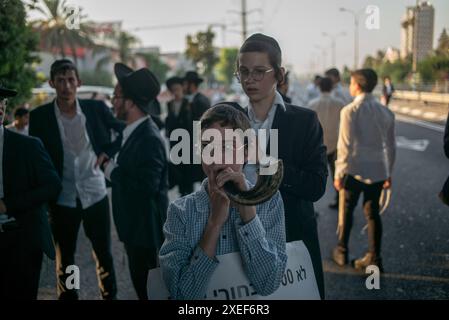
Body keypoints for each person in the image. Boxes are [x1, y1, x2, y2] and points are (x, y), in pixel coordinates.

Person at [159, 104, 287, 300]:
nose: (216, 159)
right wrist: (214, 224)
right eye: (206, 147)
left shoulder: (269, 201)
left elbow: (269, 283)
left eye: (226, 147)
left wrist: (248, 213)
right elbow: (183, 296)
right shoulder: (180, 212)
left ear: (246, 152)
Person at [237, 33, 328, 299]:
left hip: (292, 238)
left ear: (279, 74)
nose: (250, 79)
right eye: (243, 71)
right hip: (239, 243)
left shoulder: (304, 121)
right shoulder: (229, 120)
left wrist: (265, 162)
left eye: (259, 71)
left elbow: (316, 186)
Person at [29, 59, 124, 300]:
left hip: (95, 193)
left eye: (70, 80)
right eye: (60, 81)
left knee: (104, 254)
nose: (66, 86)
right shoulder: (40, 117)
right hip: (62, 198)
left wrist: (109, 152)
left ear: (78, 83)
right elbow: (37, 159)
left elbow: (124, 130)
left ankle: (109, 296)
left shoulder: (95, 109)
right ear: (52, 83)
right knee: (67, 259)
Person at [102, 63, 168, 300]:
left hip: (145, 236)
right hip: (136, 232)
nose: (112, 101)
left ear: (130, 103)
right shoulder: (133, 131)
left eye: (116, 96)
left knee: (149, 293)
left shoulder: (148, 138)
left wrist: (111, 170)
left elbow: (145, 188)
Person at [0, 84, 61, 299]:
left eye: (2, 102)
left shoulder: (28, 146)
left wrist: (8, 205)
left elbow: (53, 186)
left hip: (22, 240)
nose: (0, 107)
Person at [332, 68, 396, 271]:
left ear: (357, 86)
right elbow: (391, 146)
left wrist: (339, 173)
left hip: (354, 169)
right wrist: (388, 172)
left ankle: (342, 251)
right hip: (378, 170)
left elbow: (345, 146)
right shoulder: (386, 111)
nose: (349, 86)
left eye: (351, 83)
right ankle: (375, 258)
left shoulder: (350, 111)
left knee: (347, 211)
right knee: (372, 213)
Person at [308, 77, 345, 209]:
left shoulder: (312, 104)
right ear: (332, 87)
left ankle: (312, 206)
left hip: (318, 146)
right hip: (335, 144)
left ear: (319, 87)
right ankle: (339, 201)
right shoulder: (340, 103)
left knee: (314, 177)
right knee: (337, 174)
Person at [165, 76, 193, 196]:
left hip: (187, 140)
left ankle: (189, 192)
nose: (176, 92)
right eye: (173, 90)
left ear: (182, 89)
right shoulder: (169, 104)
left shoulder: (189, 103)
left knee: (188, 167)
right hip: (175, 141)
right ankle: (182, 192)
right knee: (177, 168)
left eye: (177, 89)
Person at [183, 71, 211, 185]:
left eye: (185, 84)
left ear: (192, 85)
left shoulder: (201, 101)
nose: (183, 87)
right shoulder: (190, 100)